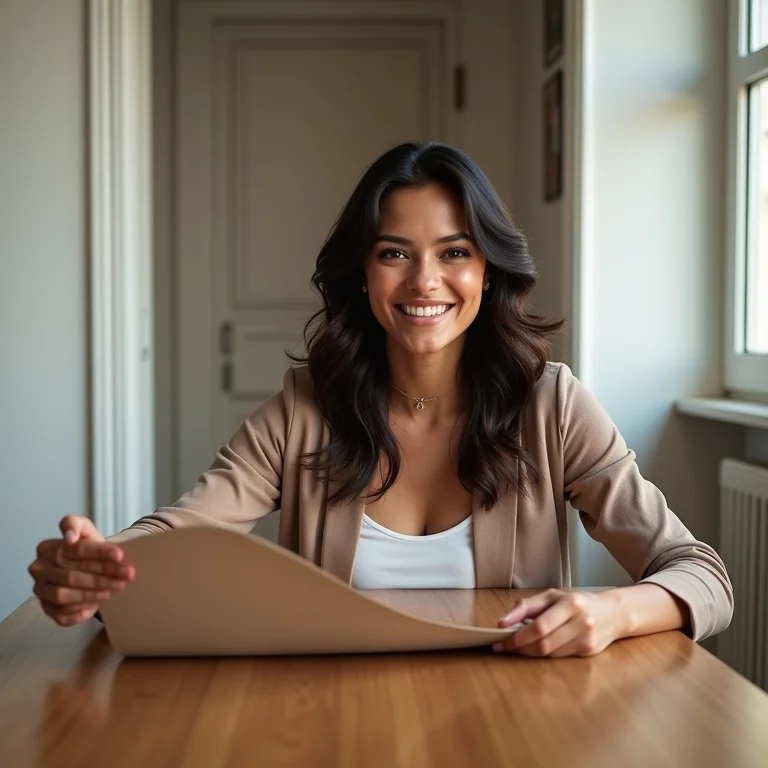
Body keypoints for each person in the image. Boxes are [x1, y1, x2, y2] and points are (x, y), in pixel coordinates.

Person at [28, 141, 733, 657]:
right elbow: (176, 537)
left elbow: (703, 576)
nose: (425, 281)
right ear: (363, 275)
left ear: (488, 271)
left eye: (454, 252)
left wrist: (612, 611)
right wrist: (94, 569)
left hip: (520, 714)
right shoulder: (307, 406)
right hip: (334, 718)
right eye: (395, 253)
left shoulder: (552, 406)